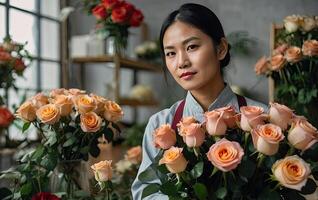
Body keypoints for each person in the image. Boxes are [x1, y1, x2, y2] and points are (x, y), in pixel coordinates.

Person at [131, 3, 267, 199]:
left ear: (220, 49)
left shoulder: (263, 118)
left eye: (192, 46)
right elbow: (144, 192)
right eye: (171, 53)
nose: (181, 62)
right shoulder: (160, 125)